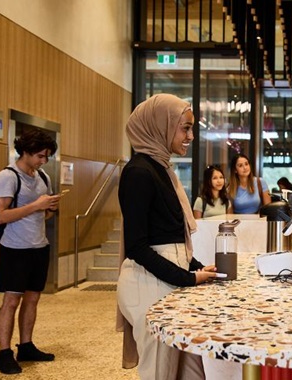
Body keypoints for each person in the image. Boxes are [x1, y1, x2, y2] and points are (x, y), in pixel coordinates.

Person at [117, 94, 240, 379]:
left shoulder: (161, 169)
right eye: (185, 128)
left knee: (189, 370)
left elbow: (170, 236)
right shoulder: (138, 172)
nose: (191, 136)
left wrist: (196, 267)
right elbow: (137, 246)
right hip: (148, 284)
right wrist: (187, 277)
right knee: (161, 372)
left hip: (166, 279)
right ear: (162, 125)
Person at [0, 129, 60, 375]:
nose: (44, 161)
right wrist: (36, 205)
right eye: (41, 156)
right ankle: (4, 353)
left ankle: (26, 345)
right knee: (11, 301)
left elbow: (45, 213)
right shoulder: (7, 177)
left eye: (47, 157)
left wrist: (50, 206)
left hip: (39, 247)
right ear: (26, 151)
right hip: (15, 249)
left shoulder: (42, 176)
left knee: (32, 299)